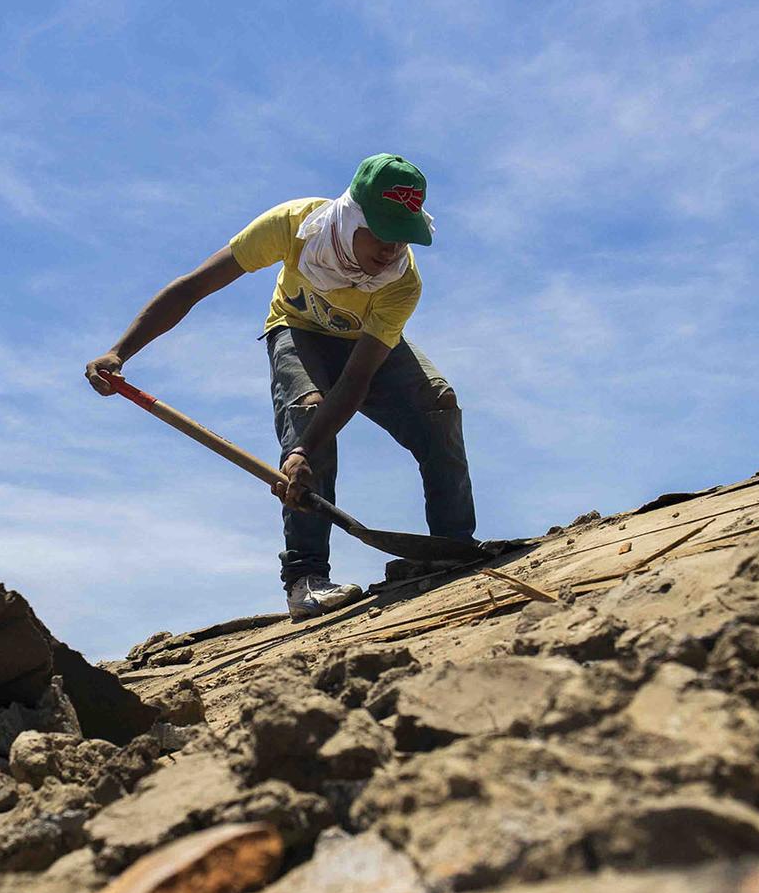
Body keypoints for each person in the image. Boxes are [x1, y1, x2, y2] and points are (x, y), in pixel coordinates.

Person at [85, 153, 475, 620]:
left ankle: (453, 548)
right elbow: (193, 287)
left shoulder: (401, 282)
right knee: (309, 411)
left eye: (402, 236)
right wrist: (121, 351)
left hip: (365, 348)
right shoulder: (293, 225)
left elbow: (356, 379)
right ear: (353, 215)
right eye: (383, 233)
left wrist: (305, 449)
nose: (391, 251)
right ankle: (306, 577)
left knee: (438, 403)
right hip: (298, 333)